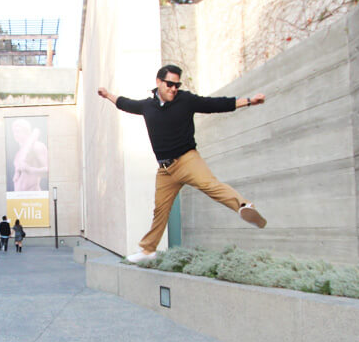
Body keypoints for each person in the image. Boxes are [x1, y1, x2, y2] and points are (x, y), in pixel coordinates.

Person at [98, 64, 267, 264]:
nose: (173, 89)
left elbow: (214, 104)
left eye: (176, 85)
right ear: (158, 82)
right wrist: (108, 94)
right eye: (169, 84)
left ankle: (244, 206)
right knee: (160, 210)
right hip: (165, 170)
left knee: (210, 185)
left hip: (187, 159)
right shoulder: (147, 106)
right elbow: (126, 103)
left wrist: (248, 101)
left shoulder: (185, 100)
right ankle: (148, 250)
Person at [11, 118, 49, 192]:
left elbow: (48, 171)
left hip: (34, 197)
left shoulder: (37, 146)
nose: (15, 134)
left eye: (18, 131)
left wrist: (29, 169)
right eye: (14, 132)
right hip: (18, 198)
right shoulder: (19, 153)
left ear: (26, 131)